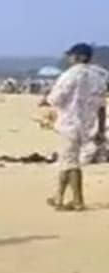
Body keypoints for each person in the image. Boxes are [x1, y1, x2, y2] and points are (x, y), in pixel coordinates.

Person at [45, 43, 109, 211]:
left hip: (70, 123)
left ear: (80, 57)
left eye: (72, 55)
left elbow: (55, 98)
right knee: (67, 160)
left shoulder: (70, 75)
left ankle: (77, 200)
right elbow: (102, 106)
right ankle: (58, 196)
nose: (69, 58)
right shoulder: (100, 76)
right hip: (89, 125)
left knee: (71, 162)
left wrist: (47, 100)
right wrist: (101, 130)